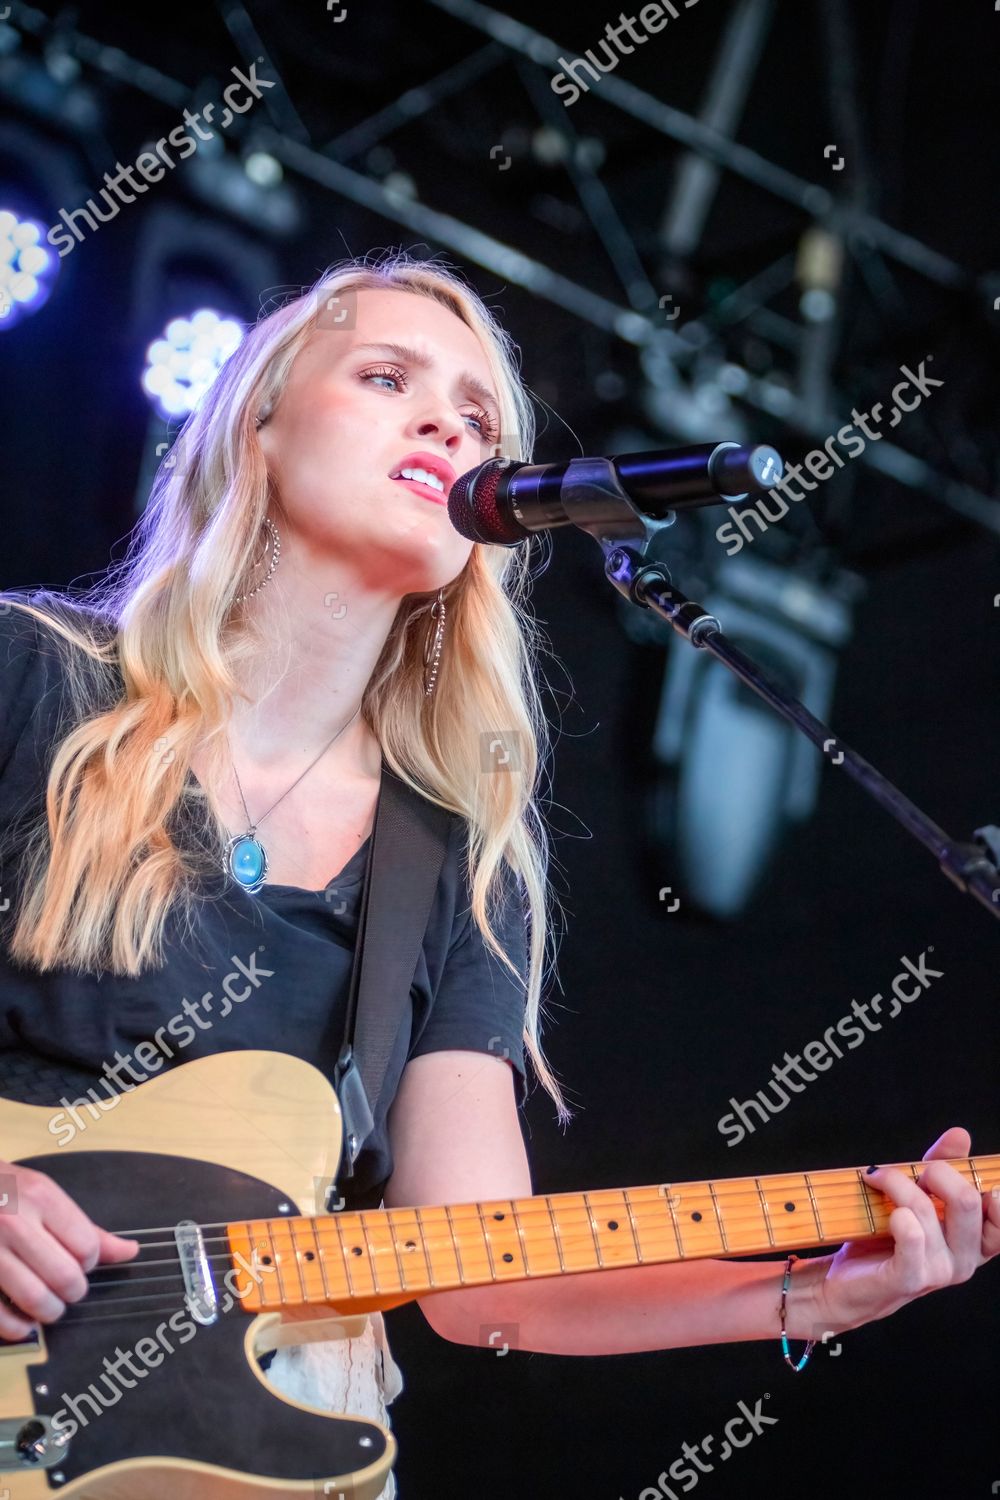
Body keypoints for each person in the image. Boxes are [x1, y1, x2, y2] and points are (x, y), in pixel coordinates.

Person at [0, 251, 997, 1499]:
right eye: (386, 377)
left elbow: (483, 1281)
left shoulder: (456, 862)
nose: (447, 421)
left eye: (479, 415)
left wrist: (809, 1291)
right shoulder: (33, 681)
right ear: (254, 427)